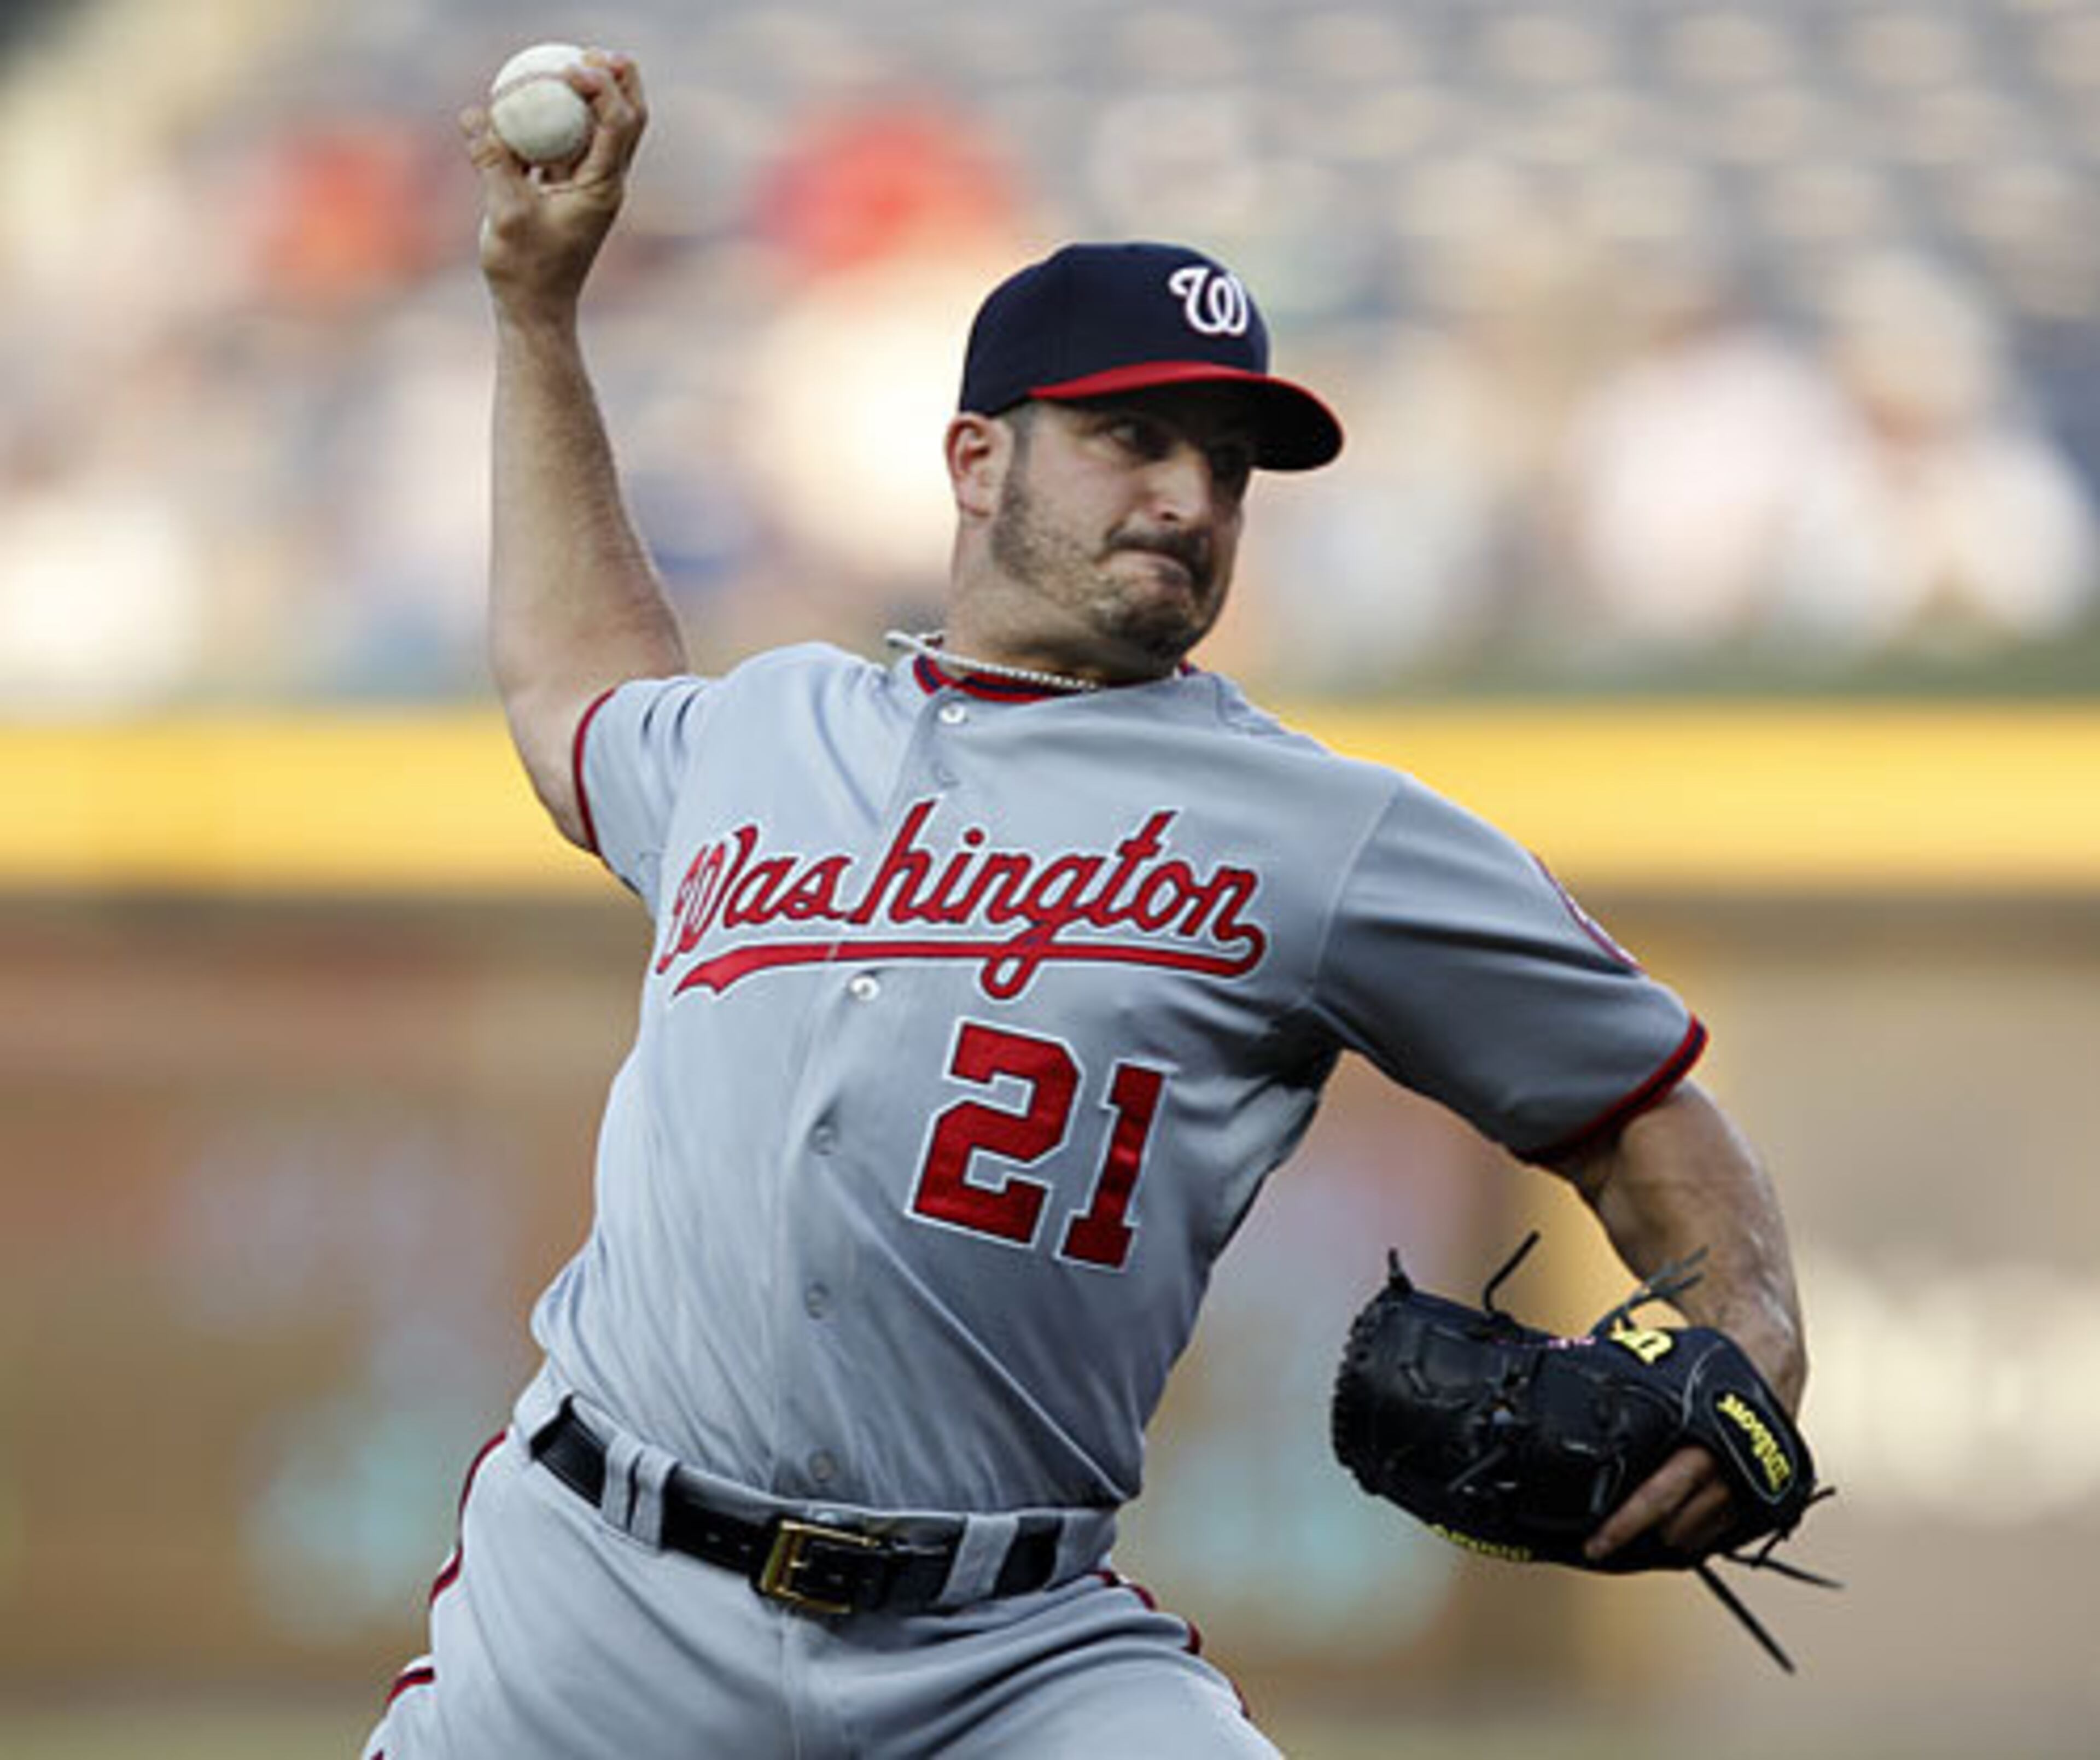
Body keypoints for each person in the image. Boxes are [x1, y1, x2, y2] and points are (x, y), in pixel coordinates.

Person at [367, 50, 1807, 1759]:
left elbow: (1640, 1109)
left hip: (1008, 1650)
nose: (1190, 498)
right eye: (1135, 438)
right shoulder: (766, 729)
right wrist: (537, 316)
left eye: (1230, 463)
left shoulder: (1329, 833)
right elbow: (571, 688)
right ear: (978, 458)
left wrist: (1755, 1335)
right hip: (603, 1600)